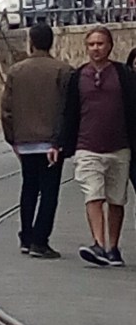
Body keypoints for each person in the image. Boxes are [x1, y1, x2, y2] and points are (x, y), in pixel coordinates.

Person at [52, 26, 136, 266]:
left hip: (120, 148)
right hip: (87, 147)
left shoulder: (124, 75)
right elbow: (68, 113)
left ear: (109, 46)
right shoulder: (77, 77)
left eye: (100, 44)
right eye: (91, 44)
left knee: (117, 200)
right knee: (93, 195)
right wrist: (58, 143)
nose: (96, 48)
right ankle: (98, 244)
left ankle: (113, 247)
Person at [1, 23, 72, 258]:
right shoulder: (64, 70)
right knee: (49, 191)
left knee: (29, 187)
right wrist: (62, 140)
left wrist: (13, 140)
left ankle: (26, 236)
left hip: (25, 142)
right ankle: (40, 241)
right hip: (52, 142)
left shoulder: (15, 71)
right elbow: (66, 109)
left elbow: (7, 110)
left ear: (30, 42)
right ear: (51, 42)